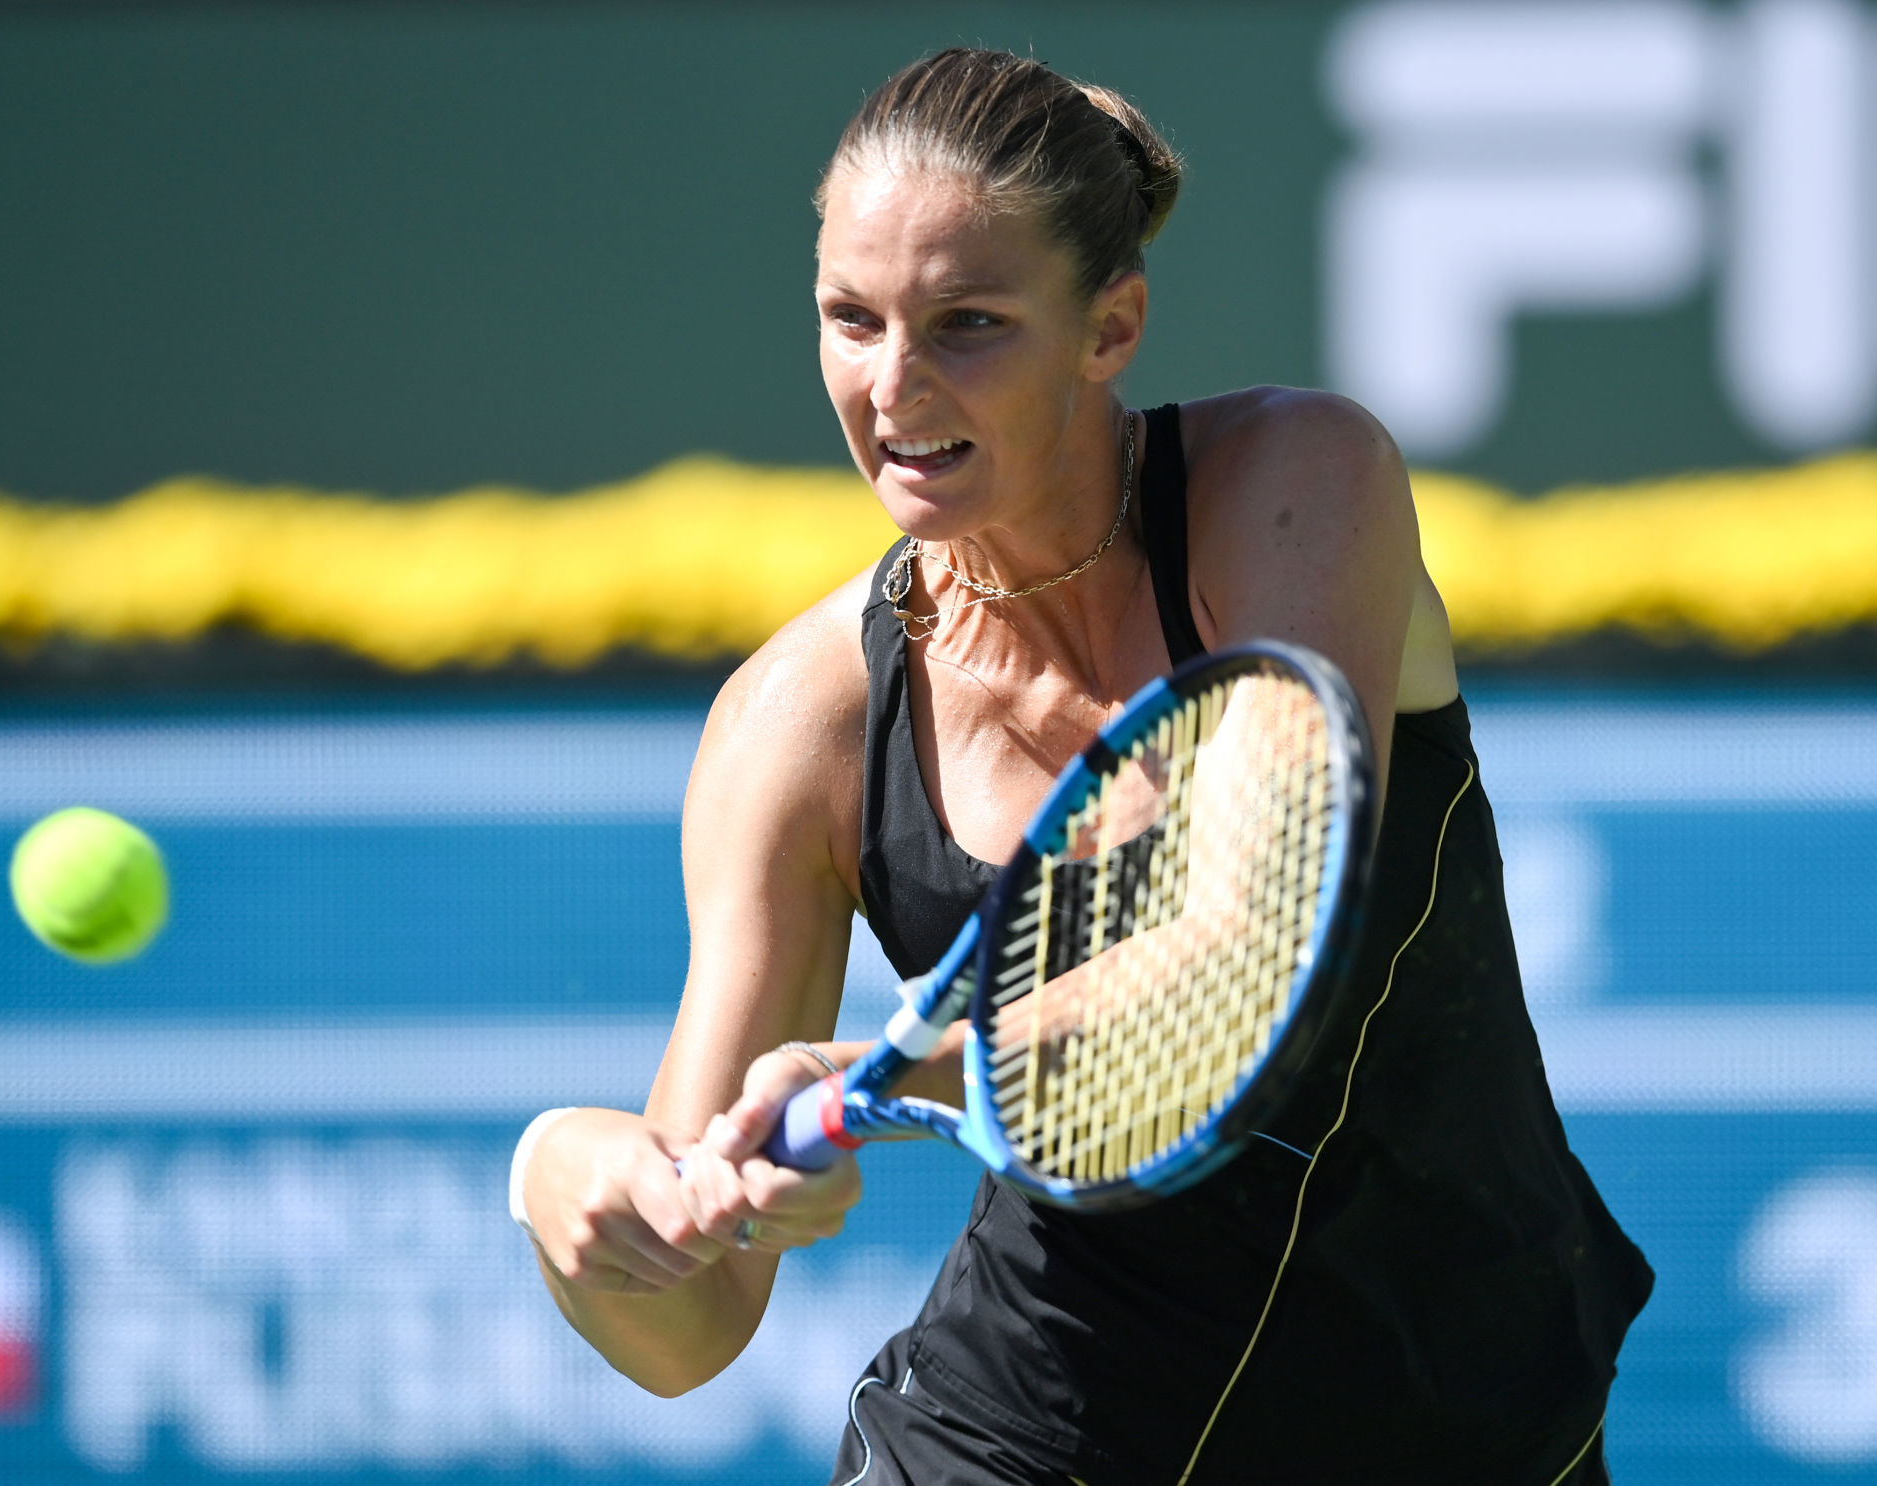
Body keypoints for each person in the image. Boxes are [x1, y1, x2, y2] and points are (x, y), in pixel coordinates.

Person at [512, 47, 1652, 1485]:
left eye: (968, 324)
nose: (892, 385)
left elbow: (1244, 960)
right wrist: (569, 1186)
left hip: (1469, 1420)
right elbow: (689, 1331)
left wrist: (886, 1068)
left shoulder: (1296, 486)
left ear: (1110, 328)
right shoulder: (794, 726)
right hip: (1019, 1442)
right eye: (851, 319)